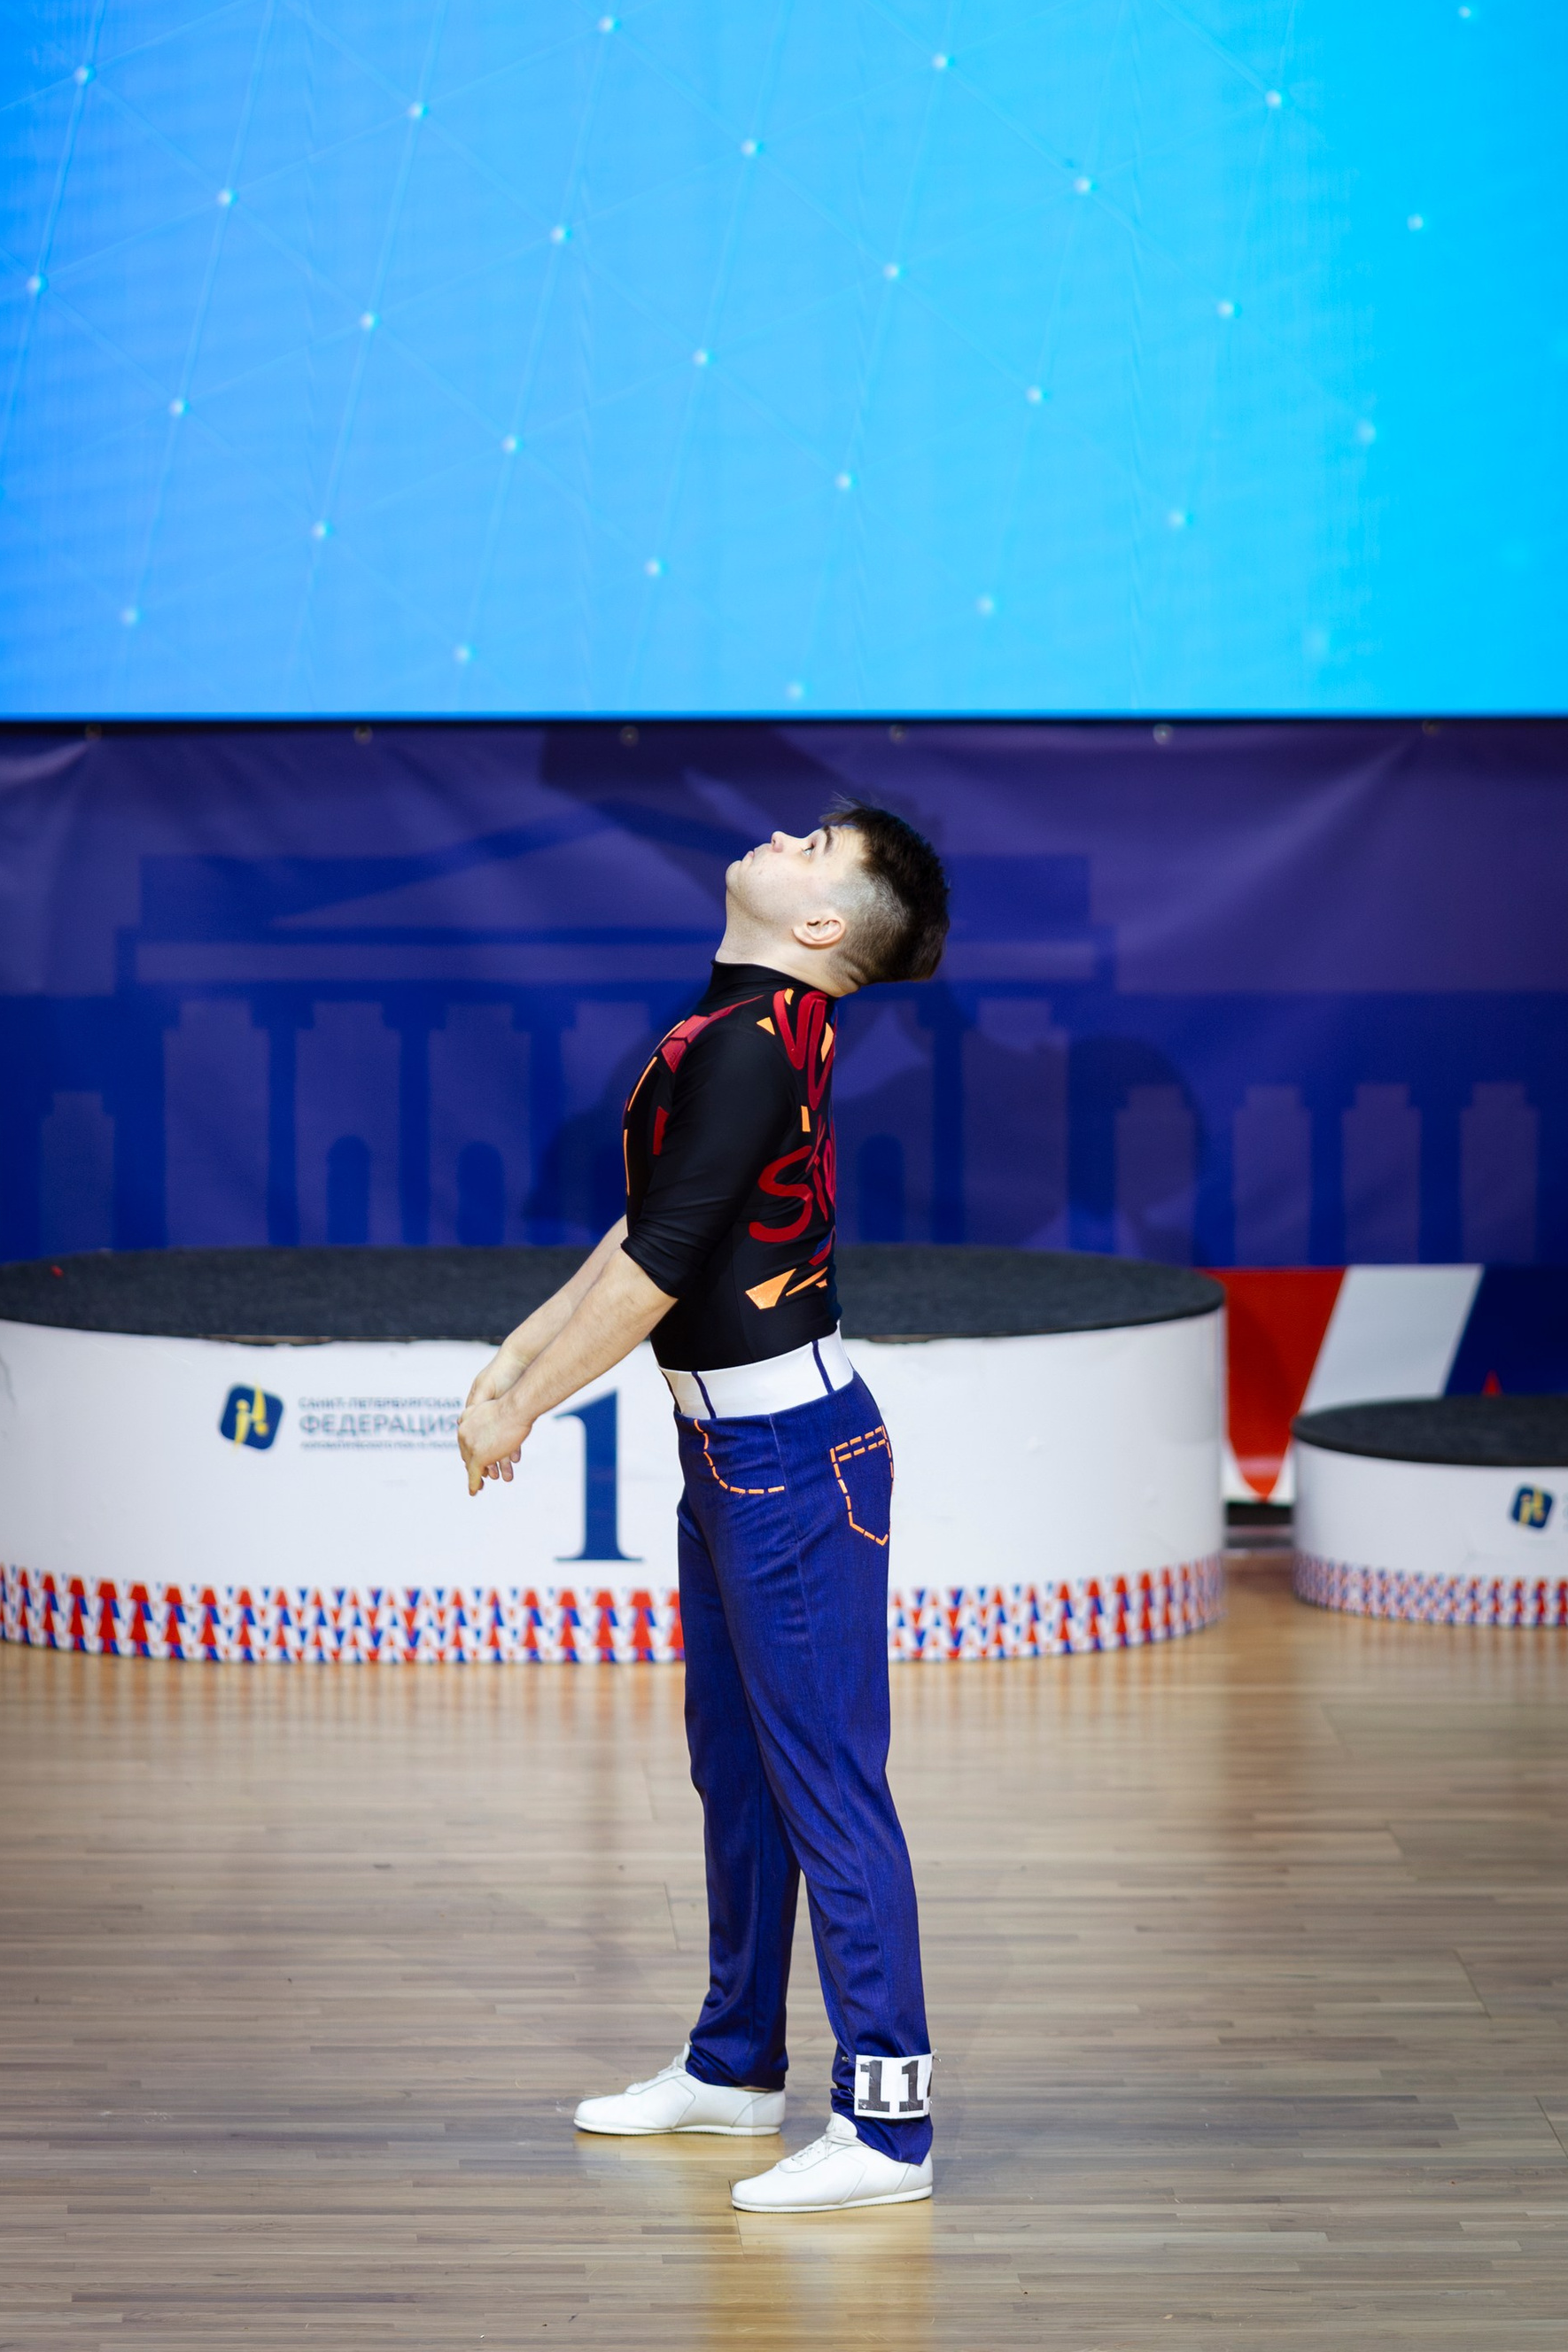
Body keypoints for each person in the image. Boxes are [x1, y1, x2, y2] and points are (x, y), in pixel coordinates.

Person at [456, 805, 950, 2215]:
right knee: (738, 1774)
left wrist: (527, 1401)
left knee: (829, 1790)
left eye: (814, 845)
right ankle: (736, 2067)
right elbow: (659, 1222)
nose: (781, 835)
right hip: (739, 1457)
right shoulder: (748, 1028)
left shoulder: (748, 1043)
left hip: (791, 1460)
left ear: (821, 928)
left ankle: (889, 2126)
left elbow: (664, 1262)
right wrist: (516, 1357)